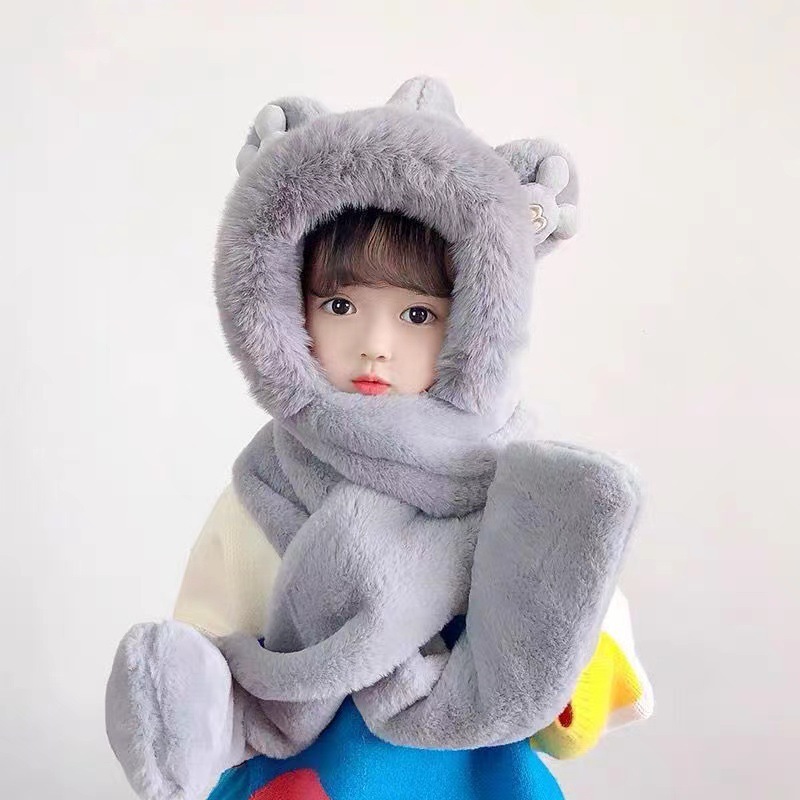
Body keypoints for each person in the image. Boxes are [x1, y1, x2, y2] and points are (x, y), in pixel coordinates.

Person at [106, 76, 653, 800]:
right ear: (283, 305)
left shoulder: (515, 489)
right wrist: (191, 697)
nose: (375, 344)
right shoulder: (266, 484)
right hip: (310, 768)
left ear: (477, 319)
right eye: (340, 304)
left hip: (474, 767)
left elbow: (573, 608)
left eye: (417, 315)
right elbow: (207, 640)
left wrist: (572, 679)